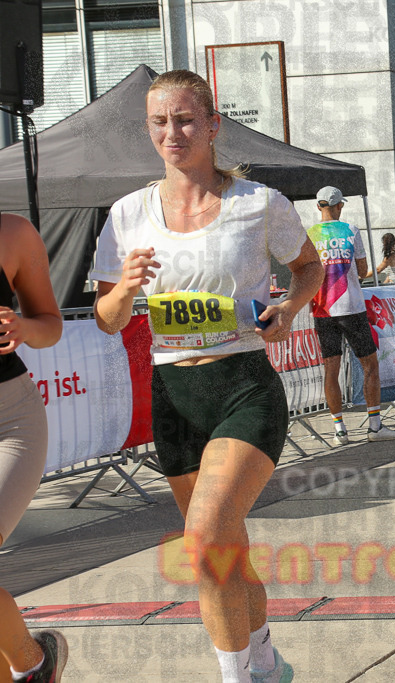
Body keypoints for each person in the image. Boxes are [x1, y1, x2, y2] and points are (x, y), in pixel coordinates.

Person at [89, 69, 325, 682]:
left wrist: (290, 309)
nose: (174, 132)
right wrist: (130, 288)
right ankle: (267, 661)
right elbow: (109, 319)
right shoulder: (127, 213)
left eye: (187, 119)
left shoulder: (258, 204)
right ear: (148, 130)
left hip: (242, 387)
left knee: (205, 539)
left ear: (214, 125)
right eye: (160, 122)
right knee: (227, 553)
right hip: (175, 395)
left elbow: (308, 268)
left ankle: (234, 675)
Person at [0, 214, 67, 682]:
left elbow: (51, 324)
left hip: (9, 423)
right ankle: (33, 664)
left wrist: (24, 328)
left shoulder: (12, 233)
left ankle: (33, 661)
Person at [308, 187, 395, 445]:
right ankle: (374, 426)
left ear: (319, 207)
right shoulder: (351, 230)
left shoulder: (308, 234)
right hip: (351, 306)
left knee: (331, 369)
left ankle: (339, 430)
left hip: (322, 308)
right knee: (370, 366)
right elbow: (363, 271)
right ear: (339, 206)